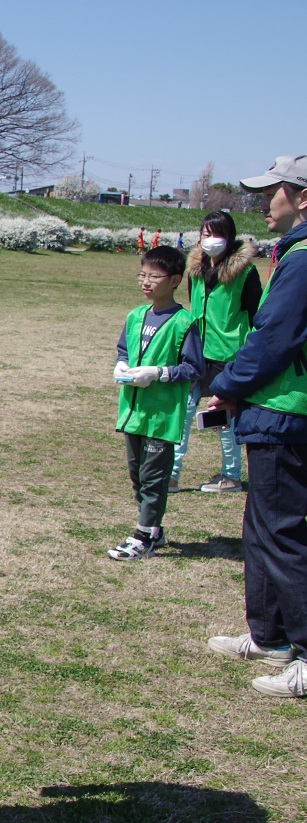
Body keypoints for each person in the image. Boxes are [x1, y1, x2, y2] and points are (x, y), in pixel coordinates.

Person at [204, 155, 307, 699]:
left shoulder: (303, 258)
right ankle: (270, 635)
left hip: (287, 410)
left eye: (275, 192)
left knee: (283, 532)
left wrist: (228, 384)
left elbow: (273, 337)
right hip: (275, 410)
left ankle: (303, 652)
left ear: (303, 198)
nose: (265, 203)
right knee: (264, 527)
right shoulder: (293, 253)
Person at [107, 246, 203, 560]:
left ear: (175, 280)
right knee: (137, 475)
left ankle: (144, 535)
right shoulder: (136, 316)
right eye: (143, 275)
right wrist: (121, 365)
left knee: (154, 477)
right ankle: (154, 530)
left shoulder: (184, 322)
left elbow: (193, 368)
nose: (146, 282)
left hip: (161, 416)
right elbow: (124, 350)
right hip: (133, 412)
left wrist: (158, 373)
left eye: (155, 276)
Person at [171, 211, 259, 493]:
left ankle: (231, 476)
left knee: (222, 419)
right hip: (196, 353)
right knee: (183, 413)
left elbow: (256, 314)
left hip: (228, 356)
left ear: (230, 238)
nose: (211, 241)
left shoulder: (245, 272)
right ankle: (171, 475)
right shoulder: (194, 270)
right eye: (206, 234)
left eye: (217, 234)